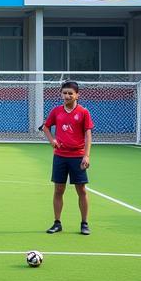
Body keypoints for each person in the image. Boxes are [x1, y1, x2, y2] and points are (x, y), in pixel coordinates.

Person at [41, 80, 93, 235]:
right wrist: (52, 141)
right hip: (60, 156)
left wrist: (86, 155)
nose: (67, 95)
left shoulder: (83, 112)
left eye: (71, 93)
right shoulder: (56, 111)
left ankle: (84, 223)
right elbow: (45, 127)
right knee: (58, 189)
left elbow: (88, 134)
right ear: (61, 94)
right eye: (65, 93)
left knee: (81, 189)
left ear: (77, 95)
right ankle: (57, 223)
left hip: (77, 157)